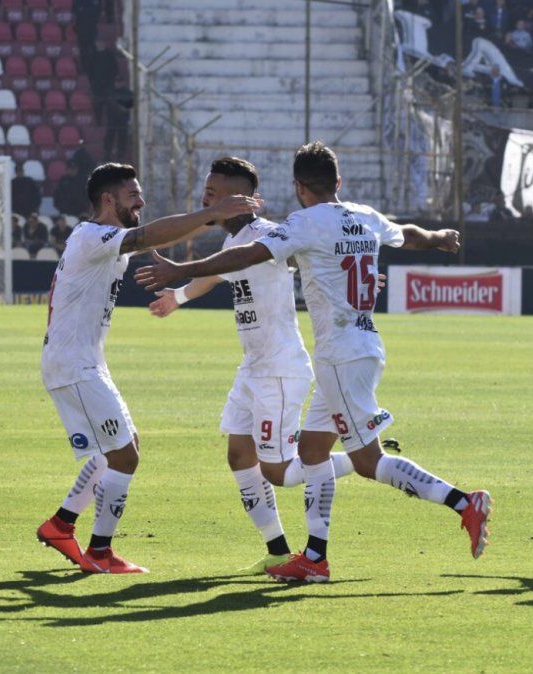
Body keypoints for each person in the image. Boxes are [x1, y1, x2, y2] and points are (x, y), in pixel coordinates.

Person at [135, 142, 491, 583]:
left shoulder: (303, 224)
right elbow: (408, 233)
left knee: (367, 461)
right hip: (352, 348)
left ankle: (464, 502)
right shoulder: (363, 215)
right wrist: (440, 239)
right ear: (337, 181)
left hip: (341, 354)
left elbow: (249, 254)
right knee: (313, 451)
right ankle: (315, 558)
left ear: (299, 187)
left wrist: (180, 270)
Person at [36, 163, 260, 574]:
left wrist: (218, 217)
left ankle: (61, 525)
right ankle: (99, 552)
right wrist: (213, 212)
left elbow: (162, 234)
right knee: (124, 456)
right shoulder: (92, 236)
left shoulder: (105, 239)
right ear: (108, 199)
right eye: (133, 195)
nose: (141, 200)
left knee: (123, 446)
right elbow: (147, 235)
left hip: (84, 361)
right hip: (73, 364)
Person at [146, 157, 365, 574]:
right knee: (239, 455)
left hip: (280, 369)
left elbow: (306, 255)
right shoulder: (234, 243)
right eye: (205, 193)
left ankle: (361, 458)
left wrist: (348, 274)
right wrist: (178, 297)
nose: (205, 201)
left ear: (238, 199)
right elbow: (216, 275)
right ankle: (278, 550)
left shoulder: (267, 235)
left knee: (279, 471)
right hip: (253, 368)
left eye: (212, 194)